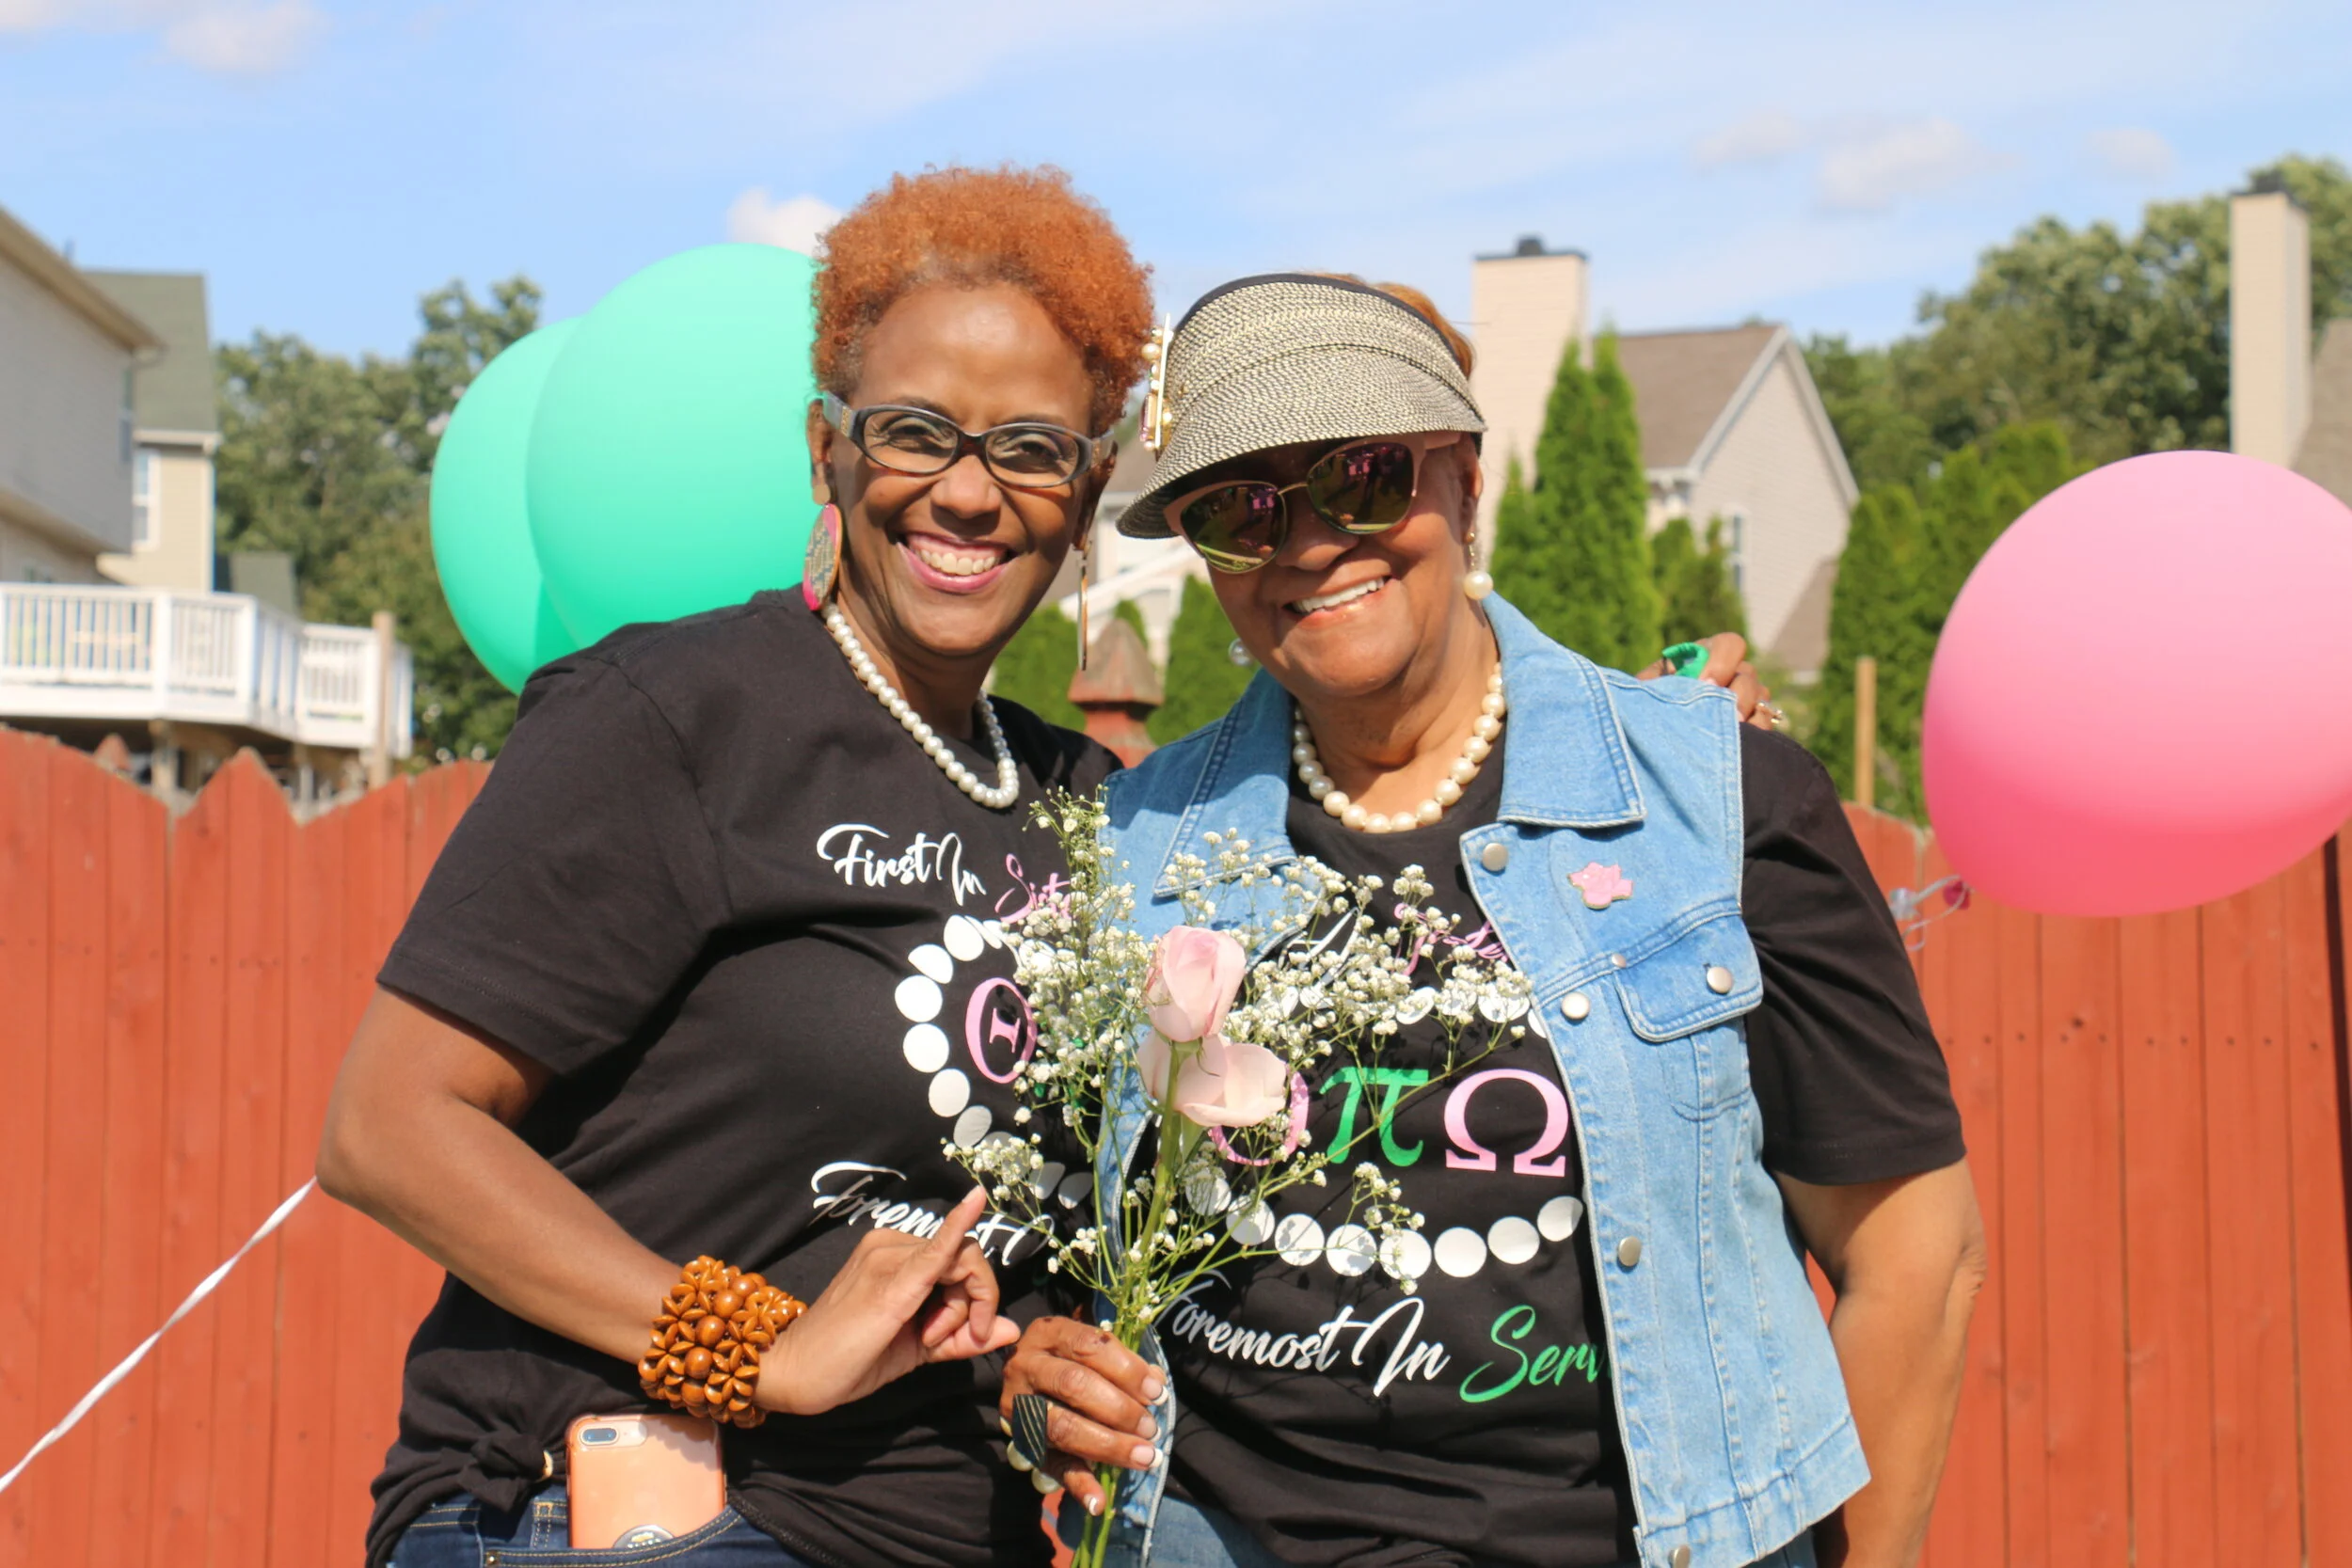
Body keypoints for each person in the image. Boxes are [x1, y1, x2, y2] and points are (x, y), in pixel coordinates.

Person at [1001, 275, 1988, 1568]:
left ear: (1465, 486)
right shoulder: (1134, 844)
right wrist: (1040, 1375)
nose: (1308, 544)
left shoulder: (1713, 802)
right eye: (1239, 511)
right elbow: (1053, 1245)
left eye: (1361, 478)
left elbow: (1915, 1256)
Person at [317, 165, 1153, 1568]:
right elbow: (390, 1126)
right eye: (914, 433)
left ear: (1090, 486)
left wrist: (1032, 1368)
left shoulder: (1094, 807)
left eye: (1029, 448)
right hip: (649, 1509)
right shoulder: (677, 716)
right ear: (826, 450)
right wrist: (750, 1346)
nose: (967, 492)